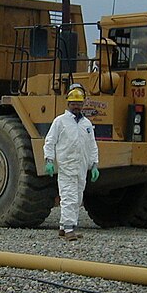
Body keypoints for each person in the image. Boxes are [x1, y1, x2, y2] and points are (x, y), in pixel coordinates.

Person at [43, 86, 99, 241]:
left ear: (83, 104)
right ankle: (69, 229)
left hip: (81, 167)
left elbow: (92, 144)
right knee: (69, 197)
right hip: (66, 166)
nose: (76, 106)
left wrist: (94, 164)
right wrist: (49, 160)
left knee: (78, 197)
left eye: (79, 103)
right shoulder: (60, 121)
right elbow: (50, 142)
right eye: (73, 103)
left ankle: (64, 226)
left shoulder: (86, 124)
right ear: (68, 103)